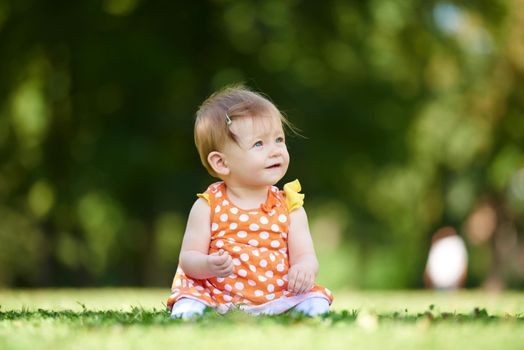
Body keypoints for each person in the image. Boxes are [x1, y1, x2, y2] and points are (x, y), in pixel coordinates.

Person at [167, 85, 333, 318]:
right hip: (216, 295)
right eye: (259, 144)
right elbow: (188, 258)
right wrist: (207, 265)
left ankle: (297, 310)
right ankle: (193, 312)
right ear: (222, 163)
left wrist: (303, 269)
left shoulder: (290, 206)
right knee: (189, 303)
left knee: (316, 302)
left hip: (277, 295)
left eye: (278, 139)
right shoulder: (208, 205)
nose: (276, 151)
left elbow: (305, 255)